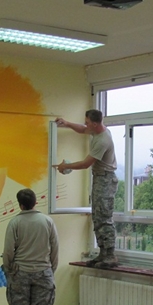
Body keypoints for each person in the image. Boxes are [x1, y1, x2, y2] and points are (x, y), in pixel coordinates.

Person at [54, 109, 118, 268]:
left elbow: (85, 164)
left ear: (95, 123)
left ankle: (110, 256)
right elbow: (83, 129)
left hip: (105, 179)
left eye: (88, 122)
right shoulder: (96, 131)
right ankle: (103, 254)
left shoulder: (103, 139)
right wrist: (67, 123)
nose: (86, 124)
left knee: (104, 216)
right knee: (97, 216)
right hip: (99, 177)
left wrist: (66, 166)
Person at [3, 188, 59, 305]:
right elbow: (55, 248)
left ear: (20, 205)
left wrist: (8, 270)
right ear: (36, 202)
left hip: (20, 272)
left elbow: (8, 251)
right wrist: (51, 269)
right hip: (43, 272)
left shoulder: (14, 223)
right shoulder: (47, 221)